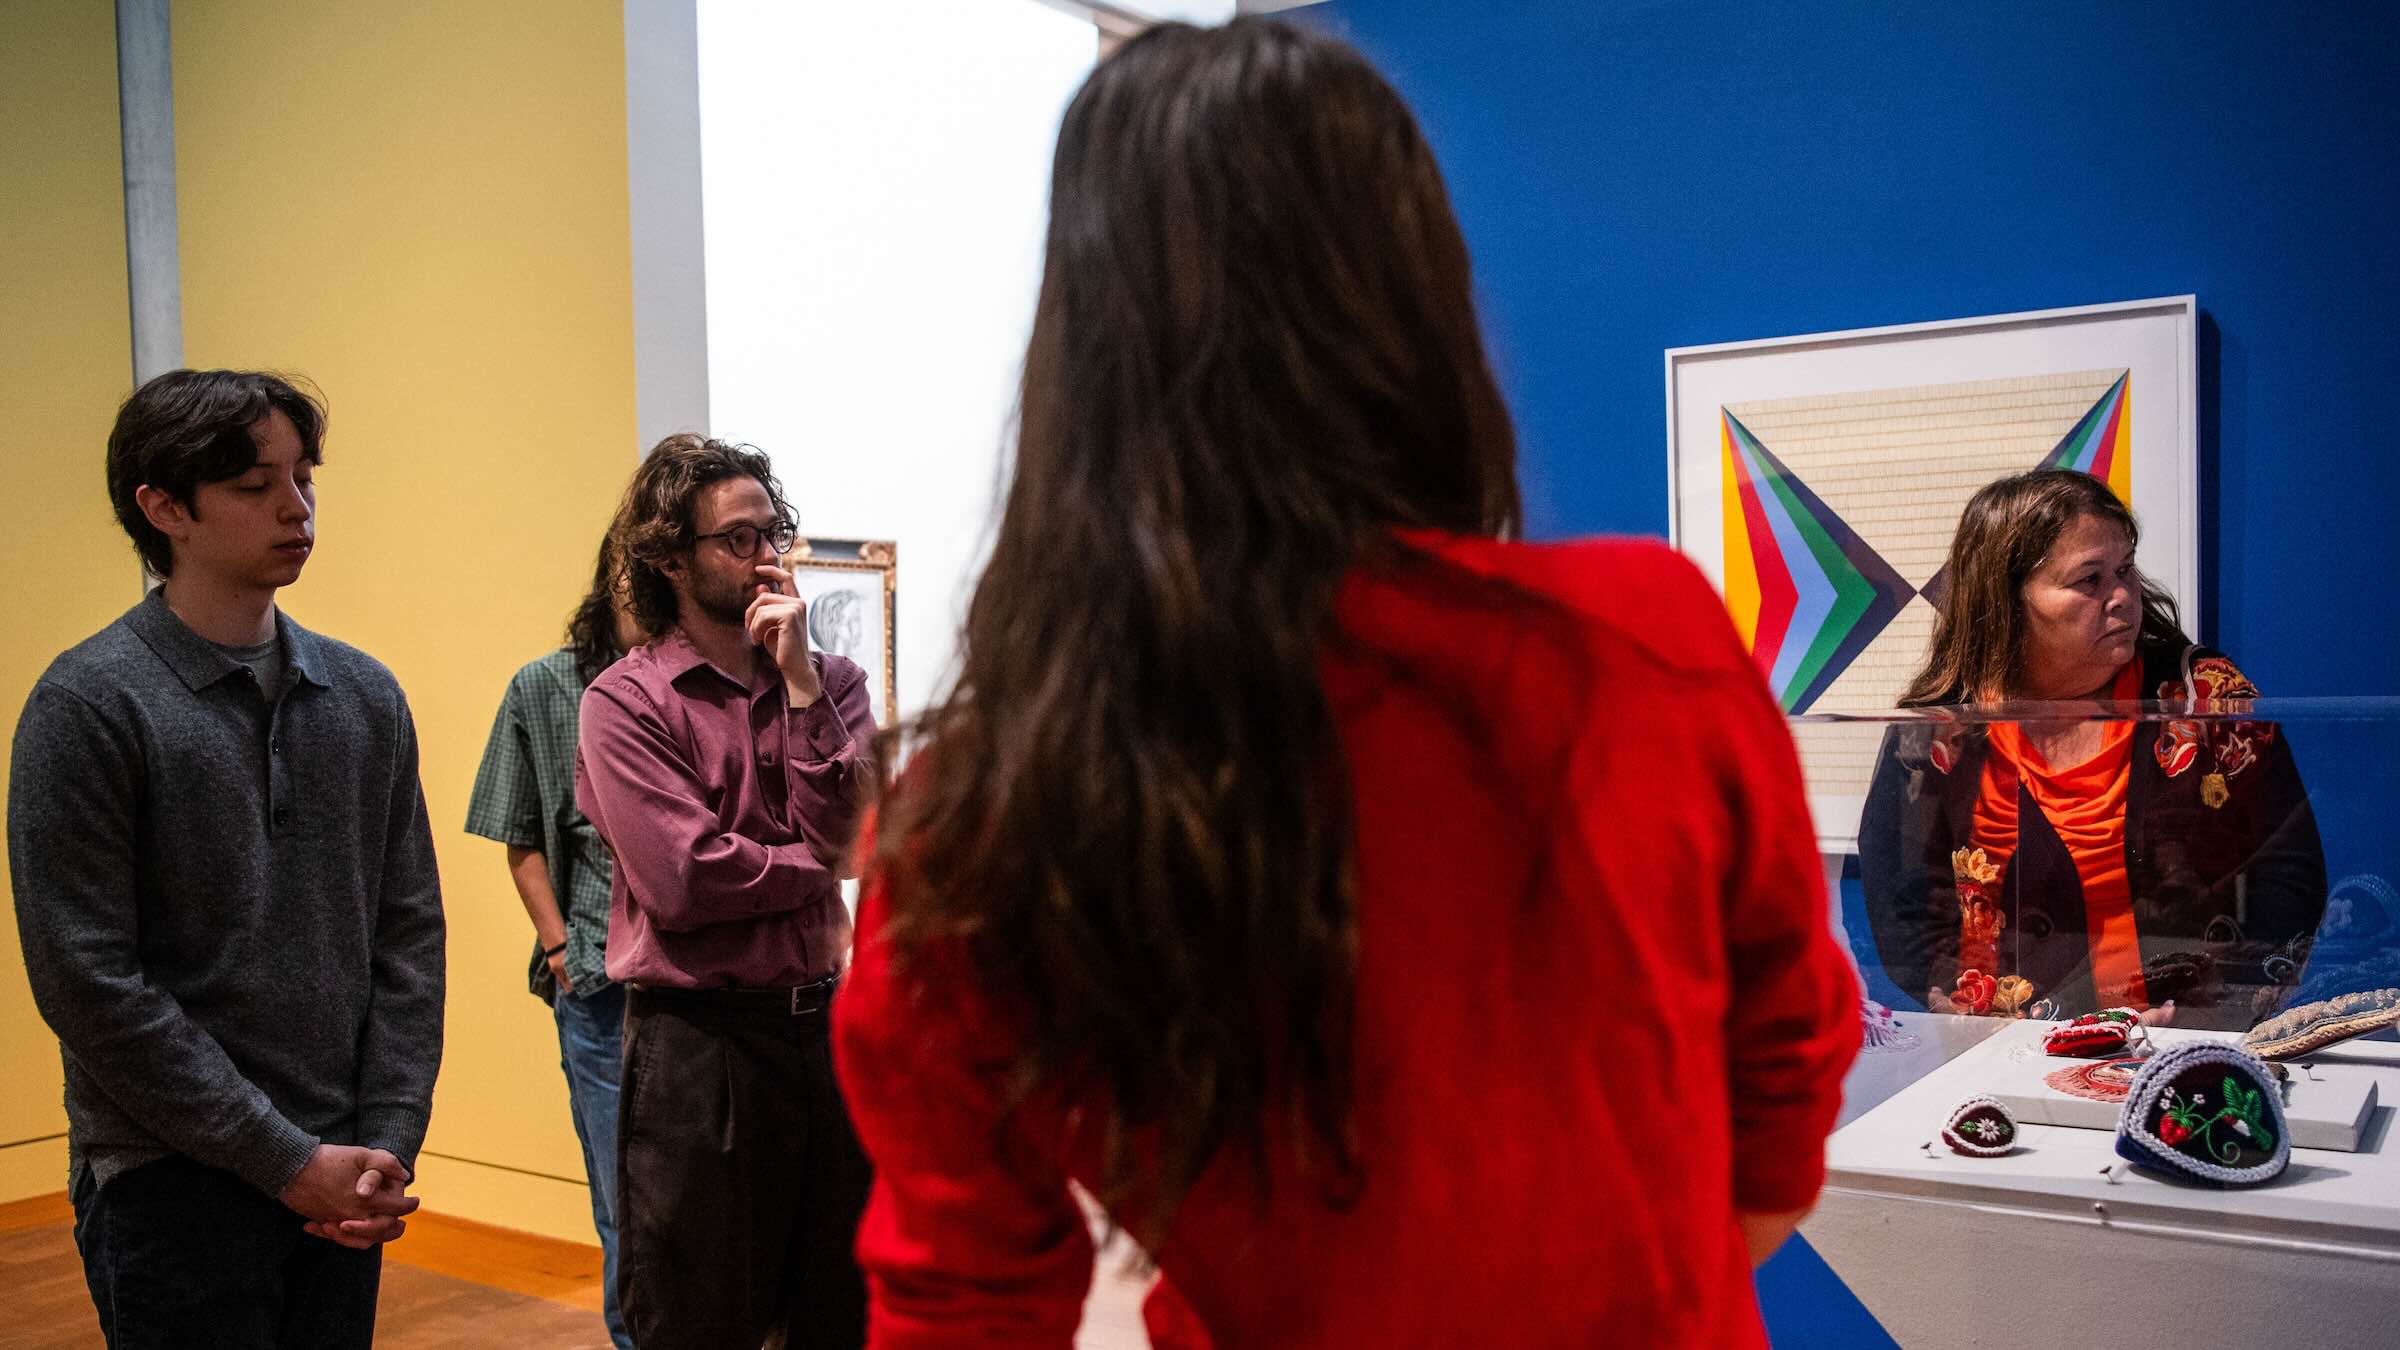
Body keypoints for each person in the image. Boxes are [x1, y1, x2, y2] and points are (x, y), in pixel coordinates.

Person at [829, 20, 1860, 1348]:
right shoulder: (1642, 643)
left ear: (1080, 344)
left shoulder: (982, 814)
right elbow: (1781, 1110)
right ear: (1414, 303)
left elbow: (961, 1305)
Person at [9, 369, 444, 1348]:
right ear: (164, 508)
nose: (296, 508)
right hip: (171, 1180)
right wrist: (284, 1159)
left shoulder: (364, 697)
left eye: (305, 477)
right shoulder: (88, 706)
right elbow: (87, 984)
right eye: (255, 486)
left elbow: (408, 934)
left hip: (348, 1170)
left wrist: (386, 1140)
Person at [575, 433, 877, 1350]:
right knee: (700, 1318)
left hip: (827, 1032)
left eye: (771, 533)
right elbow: (685, 881)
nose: (767, 559)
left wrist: (797, 685)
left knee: (842, 1311)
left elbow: (856, 835)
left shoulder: (836, 686)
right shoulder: (626, 704)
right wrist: (815, 867)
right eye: (737, 540)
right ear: (670, 559)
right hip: (701, 1052)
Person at [1859, 468, 2326, 1029]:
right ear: (2008, 599)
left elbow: (2288, 867)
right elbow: (1902, 892)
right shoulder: (1943, 728)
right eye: (2090, 581)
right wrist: (1958, 996)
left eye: (2125, 569)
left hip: (2181, 1037)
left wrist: (2227, 1006)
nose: (2124, 597)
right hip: (2004, 1043)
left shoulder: (2201, 697)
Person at [464, 538, 642, 1350]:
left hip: (705, 984)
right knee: (622, 1201)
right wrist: (562, 949)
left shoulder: (712, 681)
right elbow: (521, 835)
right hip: (602, 985)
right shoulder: (546, 686)